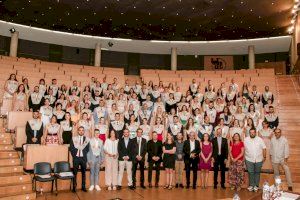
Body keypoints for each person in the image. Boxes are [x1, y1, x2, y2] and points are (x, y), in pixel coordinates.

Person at [244, 128, 266, 192]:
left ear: (255, 133)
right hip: (249, 159)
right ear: (249, 133)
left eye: (253, 132)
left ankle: (256, 186)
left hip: (259, 159)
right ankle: (251, 185)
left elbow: (264, 148)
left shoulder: (260, 139)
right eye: (250, 132)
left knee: (257, 173)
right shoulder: (246, 139)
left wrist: (264, 157)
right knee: (250, 172)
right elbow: (243, 148)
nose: (252, 133)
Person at [69, 126, 90, 192]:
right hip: (76, 158)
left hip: (83, 158)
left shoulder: (86, 139)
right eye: (80, 130)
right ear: (78, 131)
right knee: (75, 173)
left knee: (84, 173)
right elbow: (71, 148)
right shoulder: (74, 139)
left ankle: (83, 187)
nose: (81, 131)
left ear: (84, 131)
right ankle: (74, 187)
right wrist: (74, 156)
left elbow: (87, 149)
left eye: (82, 130)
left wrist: (83, 154)